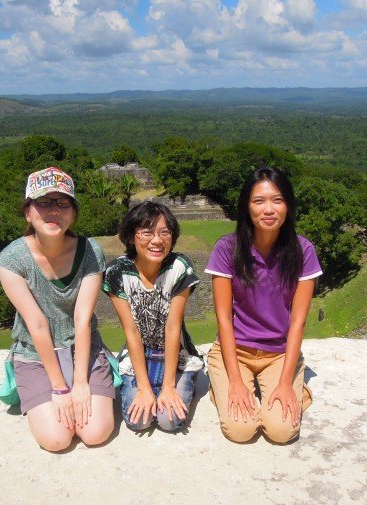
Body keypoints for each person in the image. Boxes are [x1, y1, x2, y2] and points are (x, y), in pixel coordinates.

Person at [0, 166, 115, 451]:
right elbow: (36, 324)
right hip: (35, 355)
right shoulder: (12, 260)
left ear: (73, 213)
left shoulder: (90, 252)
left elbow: (82, 319)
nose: (53, 211)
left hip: (82, 348)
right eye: (43, 202)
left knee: (95, 432)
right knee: (57, 439)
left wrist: (82, 382)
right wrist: (61, 388)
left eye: (63, 203)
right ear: (28, 212)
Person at [205, 166, 322, 443]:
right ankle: (220, 385)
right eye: (259, 201)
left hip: (278, 354)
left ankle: (294, 386)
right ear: (247, 207)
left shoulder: (303, 251)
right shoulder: (227, 248)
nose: (268, 209)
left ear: (289, 206)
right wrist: (234, 381)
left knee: (281, 432)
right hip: (235, 350)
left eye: (277, 200)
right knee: (241, 430)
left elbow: (298, 321)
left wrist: (284, 382)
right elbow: (223, 318)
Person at [103, 201, 203, 432]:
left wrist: (169, 386)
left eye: (164, 232)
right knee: (139, 421)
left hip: (176, 353)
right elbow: (132, 330)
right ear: (130, 237)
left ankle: (188, 377)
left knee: (169, 421)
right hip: (140, 353)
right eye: (147, 232)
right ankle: (151, 386)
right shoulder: (116, 272)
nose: (156, 240)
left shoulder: (179, 268)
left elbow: (172, 327)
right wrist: (145, 388)